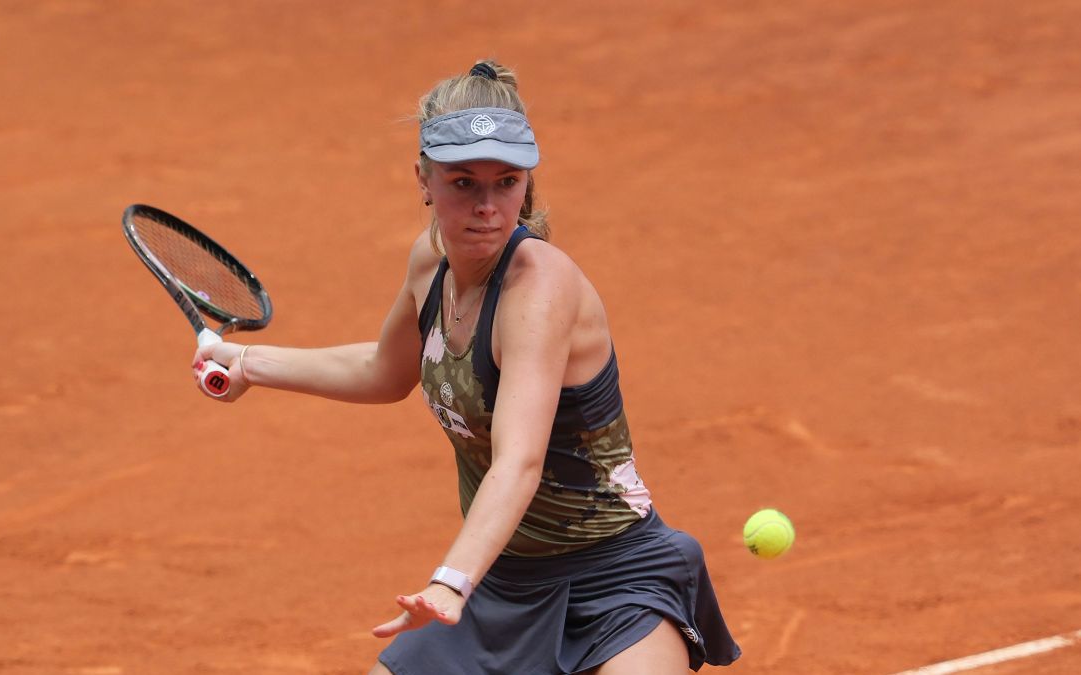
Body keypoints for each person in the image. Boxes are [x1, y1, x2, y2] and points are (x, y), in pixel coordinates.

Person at [193, 60, 740, 675]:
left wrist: (450, 582)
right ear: (422, 179)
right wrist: (248, 361)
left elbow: (520, 460)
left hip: (616, 579)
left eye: (506, 182)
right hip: (503, 578)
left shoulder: (540, 288)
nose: (487, 207)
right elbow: (384, 371)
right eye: (462, 183)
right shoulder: (430, 262)